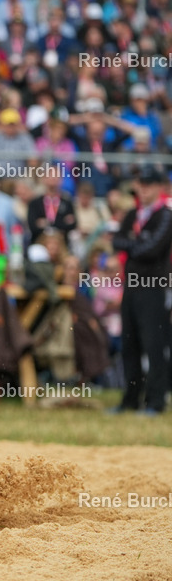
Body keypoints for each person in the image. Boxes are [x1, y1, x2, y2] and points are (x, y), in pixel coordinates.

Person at [110, 166, 172, 415]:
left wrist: (131, 245)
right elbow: (117, 241)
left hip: (154, 287)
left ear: (159, 187)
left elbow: (153, 249)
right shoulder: (133, 213)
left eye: (148, 184)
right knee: (130, 343)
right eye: (140, 184)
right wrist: (137, 244)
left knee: (154, 344)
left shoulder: (165, 215)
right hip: (131, 286)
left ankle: (156, 401)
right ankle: (130, 399)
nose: (143, 189)